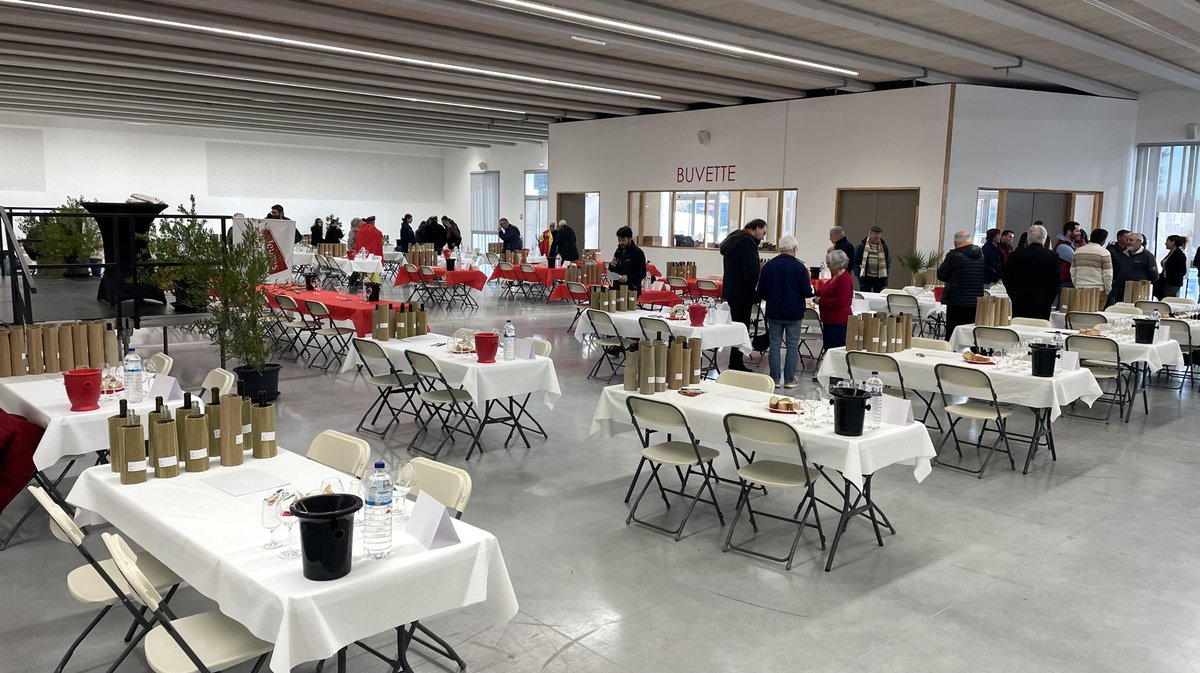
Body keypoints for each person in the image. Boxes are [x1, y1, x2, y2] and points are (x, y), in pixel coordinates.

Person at [756, 235, 813, 388]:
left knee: (774, 344)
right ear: (794, 249)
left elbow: (760, 291)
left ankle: (774, 378)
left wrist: (772, 298)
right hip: (794, 312)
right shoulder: (800, 268)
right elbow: (807, 292)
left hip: (774, 311)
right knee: (792, 345)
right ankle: (789, 379)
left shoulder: (768, 266)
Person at [720, 218, 767, 372]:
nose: (763, 237)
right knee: (742, 328)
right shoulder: (747, 243)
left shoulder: (734, 240)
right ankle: (736, 362)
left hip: (732, 291)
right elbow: (751, 271)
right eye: (763, 232)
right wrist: (755, 291)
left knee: (736, 327)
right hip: (743, 293)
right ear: (757, 228)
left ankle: (735, 361)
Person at [937, 230, 985, 341]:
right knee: (970, 332)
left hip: (957, 299)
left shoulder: (954, 255)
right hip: (975, 300)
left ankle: (951, 354)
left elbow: (941, 274)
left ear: (955, 243)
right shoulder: (980, 254)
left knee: (953, 332)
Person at [1003, 224, 1059, 319]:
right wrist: (1049, 300)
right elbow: (1056, 281)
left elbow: (1006, 277)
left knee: (1019, 328)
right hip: (1042, 302)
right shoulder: (1052, 256)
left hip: (1018, 301)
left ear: (1028, 238)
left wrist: (1012, 294)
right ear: (1044, 239)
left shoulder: (1015, 255)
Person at [1110, 231, 1158, 306]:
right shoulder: (1123, 254)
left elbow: (1154, 275)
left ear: (1139, 242)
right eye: (1127, 240)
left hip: (1138, 292)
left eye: (1131, 240)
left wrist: (1143, 285)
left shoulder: (1147, 256)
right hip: (1121, 291)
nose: (1128, 242)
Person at [817, 249, 853, 352]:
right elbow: (827, 292)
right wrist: (816, 292)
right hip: (829, 320)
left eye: (829, 264)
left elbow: (841, 301)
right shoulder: (835, 277)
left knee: (836, 349)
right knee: (828, 348)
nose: (827, 266)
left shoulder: (844, 279)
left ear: (837, 264)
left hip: (838, 321)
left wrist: (821, 301)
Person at [1071, 228, 1114, 297]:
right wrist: (1107, 290)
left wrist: (1076, 284)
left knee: (1080, 308)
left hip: (1080, 288)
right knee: (1097, 308)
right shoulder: (1104, 253)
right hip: (1098, 290)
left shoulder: (1078, 251)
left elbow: (1073, 271)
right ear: (1103, 240)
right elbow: (1108, 275)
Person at [607, 226, 646, 292]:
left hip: (632, 289)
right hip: (617, 287)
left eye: (623, 240)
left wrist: (628, 277)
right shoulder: (618, 251)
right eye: (619, 240)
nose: (621, 243)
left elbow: (642, 273)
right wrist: (611, 265)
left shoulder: (638, 252)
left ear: (630, 238)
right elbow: (613, 269)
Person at [852, 225, 890, 293]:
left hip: (879, 278)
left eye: (879, 234)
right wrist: (859, 275)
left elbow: (888, 261)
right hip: (866, 278)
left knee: (878, 299)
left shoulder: (884, 246)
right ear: (869, 234)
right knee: (865, 298)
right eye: (875, 233)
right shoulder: (862, 246)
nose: (877, 236)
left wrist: (886, 272)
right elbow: (855, 261)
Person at [1155, 235, 1188, 299]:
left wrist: (1171, 278)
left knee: (1168, 298)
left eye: (1167, 241)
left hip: (1172, 283)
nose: (1165, 243)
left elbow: (1182, 271)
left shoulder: (1179, 255)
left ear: (1173, 242)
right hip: (1165, 281)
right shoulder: (1171, 253)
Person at [1055, 221, 1079, 286]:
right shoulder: (1062, 246)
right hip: (1064, 282)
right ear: (1069, 232)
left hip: (1069, 280)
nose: (1079, 233)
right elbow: (1077, 260)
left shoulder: (1073, 244)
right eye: (1077, 231)